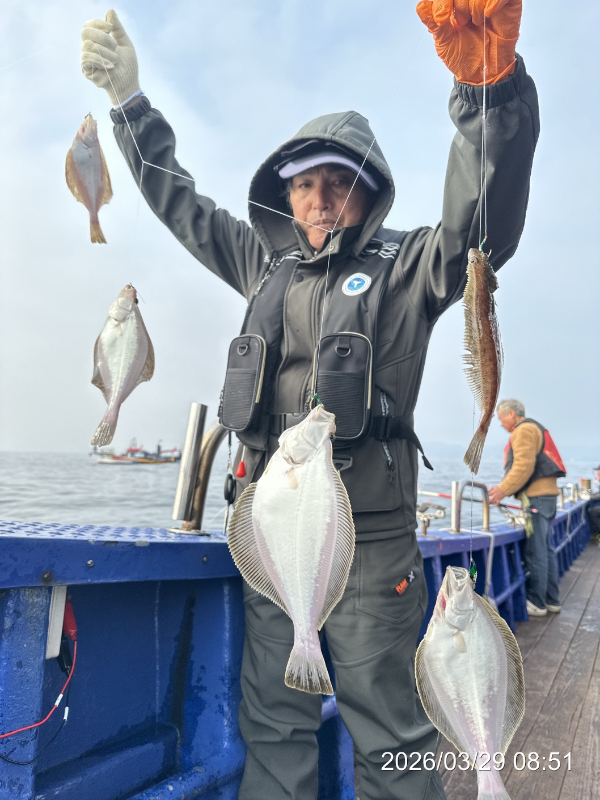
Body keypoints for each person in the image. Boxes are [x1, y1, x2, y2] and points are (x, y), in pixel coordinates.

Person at [81, 3, 537, 798]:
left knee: (393, 741)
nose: (319, 200)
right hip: (277, 548)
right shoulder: (262, 263)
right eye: (303, 185)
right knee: (273, 727)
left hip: (374, 552)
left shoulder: (411, 266)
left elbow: (482, 226)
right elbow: (181, 204)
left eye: (337, 184)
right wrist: (129, 105)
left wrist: (488, 91)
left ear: (369, 193)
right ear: (285, 196)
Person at [489, 400, 566, 618]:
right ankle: (552, 600)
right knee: (546, 549)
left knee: (536, 551)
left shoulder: (523, 431)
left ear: (511, 414)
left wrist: (502, 490)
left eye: (501, 419)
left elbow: (523, 466)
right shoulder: (534, 428)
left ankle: (537, 602)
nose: (501, 424)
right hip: (548, 499)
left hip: (537, 501)